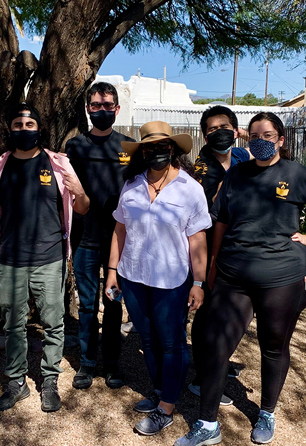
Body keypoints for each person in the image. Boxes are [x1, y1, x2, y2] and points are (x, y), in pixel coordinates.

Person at [175, 112, 306, 446]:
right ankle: (207, 425)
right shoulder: (236, 175)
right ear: (248, 138)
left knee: (273, 347)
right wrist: (212, 269)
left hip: (282, 278)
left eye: (268, 135)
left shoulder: (296, 174)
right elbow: (218, 222)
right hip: (234, 276)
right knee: (216, 345)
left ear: (280, 139)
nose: (261, 141)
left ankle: (267, 411)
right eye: (256, 136)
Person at [0, 103, 89, 413]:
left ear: (40, 129)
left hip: (49, 259)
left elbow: (83, 208)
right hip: (9, 260)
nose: (24, 130)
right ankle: (16, 384)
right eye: (18, 125)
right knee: (13, 324)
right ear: (10, 130)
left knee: (53, 323)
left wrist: (79, 191)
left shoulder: (59, 165)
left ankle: (50, 382)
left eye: (30, 125)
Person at [105, 121, 211, 436]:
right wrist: (112, 272)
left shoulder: (191, 189)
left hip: (173, 281)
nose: (157, 152)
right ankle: (160, 389)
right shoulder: (132, 185)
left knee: (172, 342)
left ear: (174, 150)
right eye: (150, 147)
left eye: (163, 147)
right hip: (133, 275)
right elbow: (119, 230)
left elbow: (198, 241)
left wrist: (199, 282)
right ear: (142, 153)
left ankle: (166, 406)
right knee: (148, 340)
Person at [65, 82, 134, 389]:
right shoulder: (75, 147)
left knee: (115, 303)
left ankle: (113, 364)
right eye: (96, 106)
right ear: (88, 109)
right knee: (88, 305)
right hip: (84, 239)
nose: (102, 111)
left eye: (108, 106)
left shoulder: (130, 147)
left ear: (117, 110)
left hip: (120, 242)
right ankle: (87, 363)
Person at [189, 105, 252, 404]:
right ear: (204, 135)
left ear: (235, 130)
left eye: (224, 127)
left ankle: (216, 365)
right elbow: (203, 210)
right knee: (208, 313)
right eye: (212, 129)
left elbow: (264, 161)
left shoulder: (240, 157)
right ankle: (203, 377)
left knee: (227, 312)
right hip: (211, 250)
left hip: (237, 249)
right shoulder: (202, 168)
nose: (219, 133)